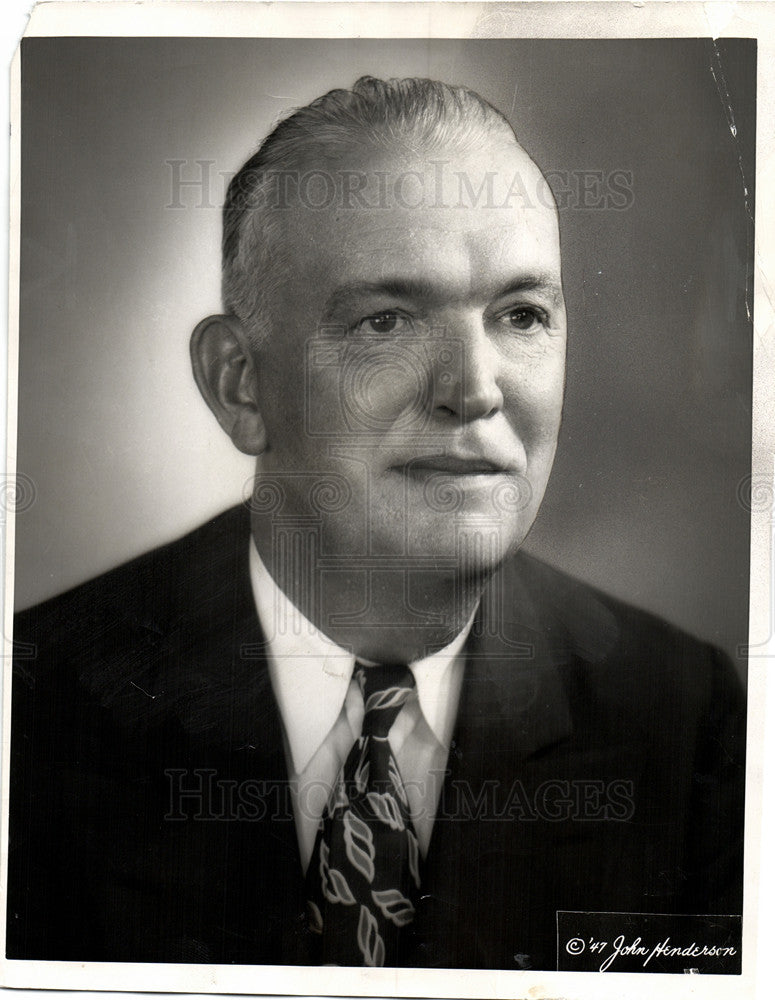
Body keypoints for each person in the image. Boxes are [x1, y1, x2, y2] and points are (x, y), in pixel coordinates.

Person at [6, 77, 745, 971]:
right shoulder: (36, 716)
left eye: (520, 315)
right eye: (385, 321)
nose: (473, 389)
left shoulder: (687, 718)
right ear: (239, 383)